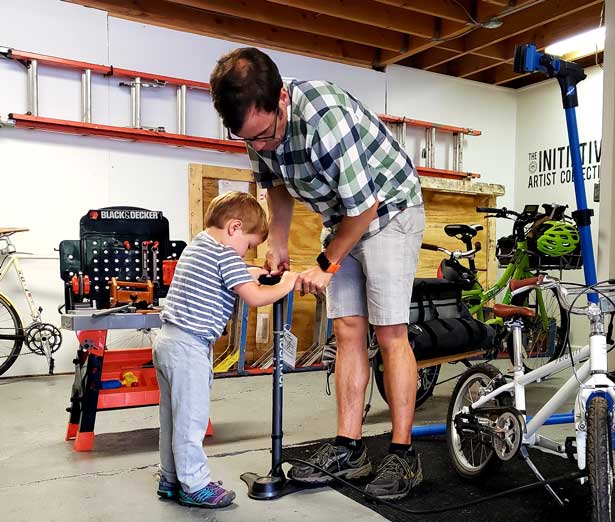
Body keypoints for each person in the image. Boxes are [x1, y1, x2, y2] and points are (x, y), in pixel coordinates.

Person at [210, 47, 425, 500]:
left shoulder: (324, 118)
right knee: (347, 329)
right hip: (342, 217)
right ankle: (351, 447)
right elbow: (275, 186)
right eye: (250, 140)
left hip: (389, 211)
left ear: (281, 99)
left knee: (389, 332)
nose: (261, 146)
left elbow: (365, 207)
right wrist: (279, 244)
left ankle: (404, 454)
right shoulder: (254, 126)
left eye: (265, 135)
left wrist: (327, 263)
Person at [154, 191, 299, 508]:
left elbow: (233, 274)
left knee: (172, 419)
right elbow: (256, 297)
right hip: (190, 347)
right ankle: (194, 485)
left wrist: (252, 271)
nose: (246, 252)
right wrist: (288, 283)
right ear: (234, 227)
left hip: (167, 341)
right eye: (249, 245)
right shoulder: (225, 256)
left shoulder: (200, 247)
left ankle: (170, 479)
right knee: (191, 423)